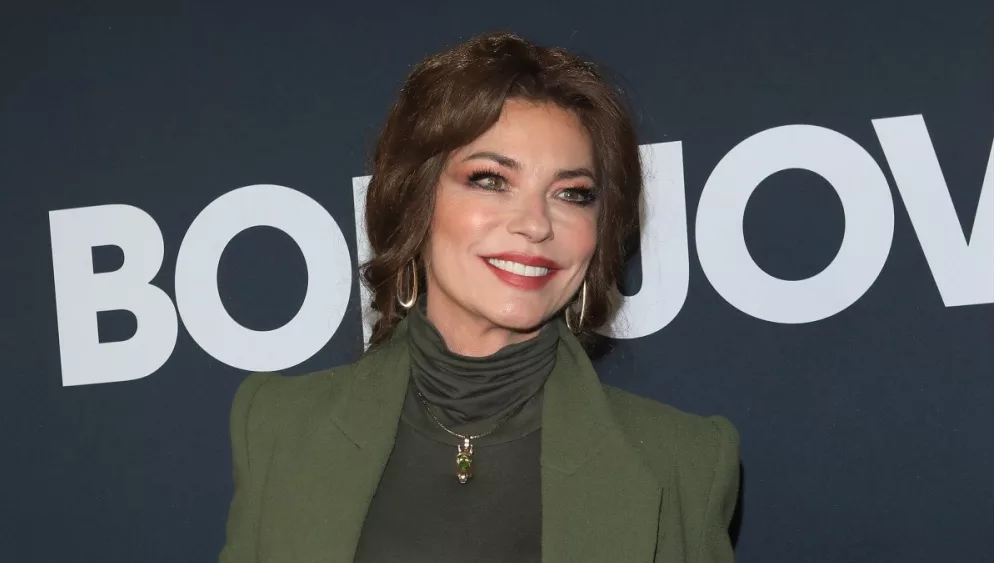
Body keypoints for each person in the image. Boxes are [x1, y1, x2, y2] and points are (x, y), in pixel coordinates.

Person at [219, 31, 740, 563]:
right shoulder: (278, 429)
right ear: (415, 199)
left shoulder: (686, 464)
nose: (536, 224)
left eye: (572, 194)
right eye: (491, 180)